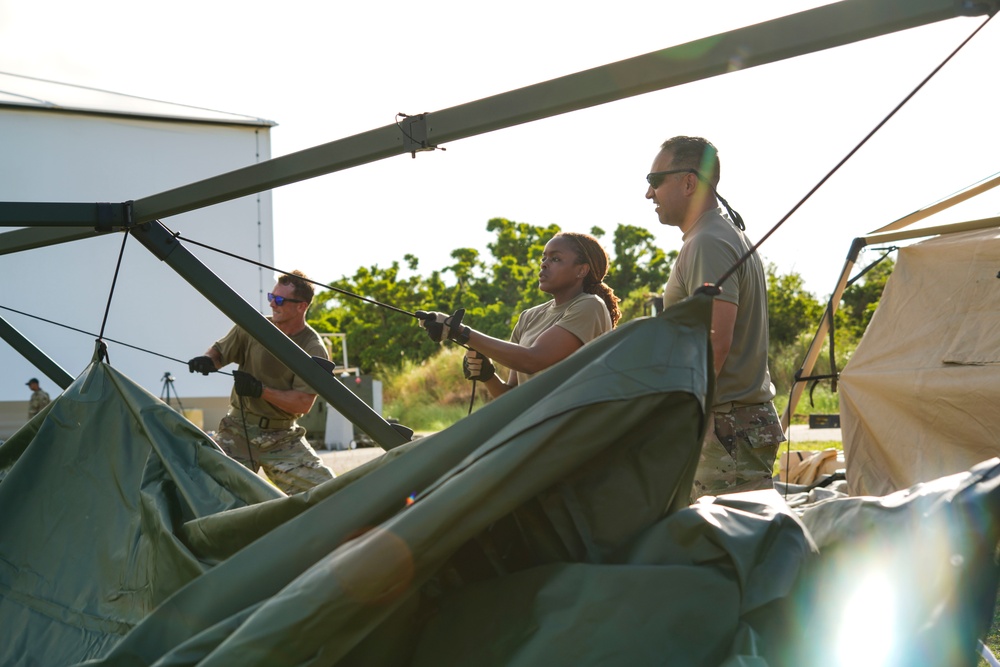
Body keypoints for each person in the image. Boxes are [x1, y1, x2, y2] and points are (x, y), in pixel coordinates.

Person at [646, 135, 785, 498]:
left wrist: (681, 416)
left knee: (727, 546)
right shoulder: (719, 235)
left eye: (654, 181)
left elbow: (716, 342)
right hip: (733, 425)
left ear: (688, 181)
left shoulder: (708, 241)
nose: (649, 194)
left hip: (726, 427)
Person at [418, 232, 620, 398]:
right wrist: (488, 375)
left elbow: (532, 360)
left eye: (556, 259)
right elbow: (512, 396)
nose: (543, 264)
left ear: (581, 270)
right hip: (533, 430)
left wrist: (458, 331)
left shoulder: (589, 306)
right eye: (544, 258)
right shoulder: (530, 316)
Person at [187, 270, 335, 494]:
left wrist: (260, 391)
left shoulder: (313, 348)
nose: (273, 305)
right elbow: (219, 352)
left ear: (301, 306)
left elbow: (302, 403)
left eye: (279, 300)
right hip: (237, 430)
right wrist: (208, 361)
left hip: (282, 437)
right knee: (205, 490)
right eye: (271, 298)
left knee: (327, 492)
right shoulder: (254, 328)